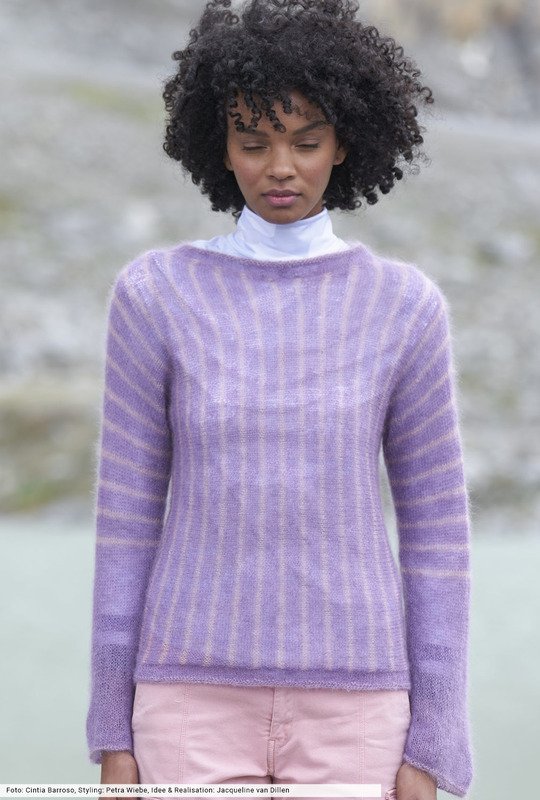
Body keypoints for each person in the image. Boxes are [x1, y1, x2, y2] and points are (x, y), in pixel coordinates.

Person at [86, 1, 474, 798]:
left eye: (306, 140)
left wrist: (435, 736)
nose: (281, 167)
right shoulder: (155, 296)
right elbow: (126, 523)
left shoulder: (405, 308)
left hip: (359, 710)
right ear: (220, 146)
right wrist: (110, 729)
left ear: (345, 143)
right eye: (254, 142)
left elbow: (437, 535)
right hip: (186, 702)